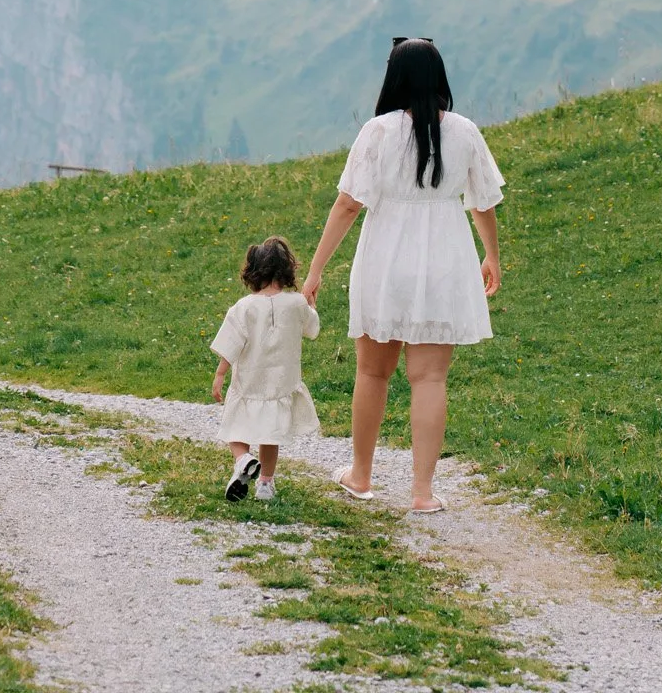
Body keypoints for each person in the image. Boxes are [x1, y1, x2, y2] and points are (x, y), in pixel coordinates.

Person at [302, 36, 503, 513]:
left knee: (373, 372)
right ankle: (422, 494)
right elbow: (484, 201)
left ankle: (361, 475)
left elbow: (349, 204)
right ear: (439, 79)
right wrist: (492, 255)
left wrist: (315, 270)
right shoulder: (465, 131)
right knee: (430, 378)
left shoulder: (378, 131)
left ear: (393, 78)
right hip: (446, 261)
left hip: (386, 259)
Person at [211, 234, 320, 501]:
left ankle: (243, 459)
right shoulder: (296, 304)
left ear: (253, 272)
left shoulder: (244, 308)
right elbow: (311, 328)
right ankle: (265, 484)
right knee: (270, 435)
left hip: (249, 383)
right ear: (286, 270)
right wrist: (311, 304)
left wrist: (220, 374)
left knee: (235, 428)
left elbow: (230, 343)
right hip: (280, 384)